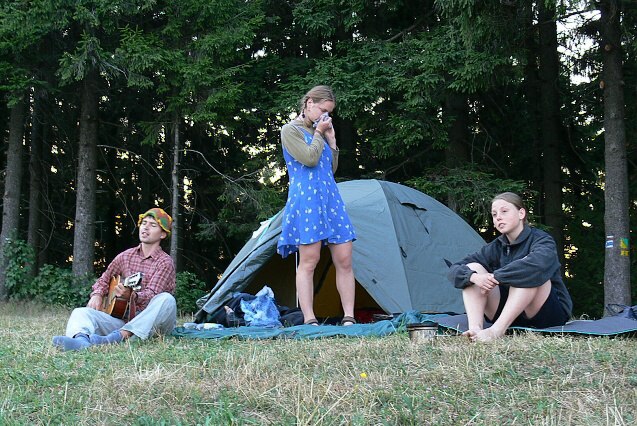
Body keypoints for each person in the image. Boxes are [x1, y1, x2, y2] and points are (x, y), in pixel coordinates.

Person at [277, 85, 357, 326]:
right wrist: (320, 134)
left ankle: (349, 316)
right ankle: (309, 318)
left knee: (344, 259)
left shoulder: (319, 131)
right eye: (323, 111)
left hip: (330, 198)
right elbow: (310, 159)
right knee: (309, 260)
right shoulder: (290, 130)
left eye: (329, 113)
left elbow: (329, 169)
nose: (326, 117)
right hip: (307, 200)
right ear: (309, 103)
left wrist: (332, 142)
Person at [447, 192, 572, 342]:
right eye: (494, 214)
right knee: (473, 268)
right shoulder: (495, 247)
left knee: (526, 271)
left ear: (521, 213)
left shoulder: (542, 240)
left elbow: (537, 265)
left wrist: (495, 277)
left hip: (547, 314)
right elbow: (454, 269)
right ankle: (475, 329)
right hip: (511, 314)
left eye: (504, 211)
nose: (498, 217)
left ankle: (496, 331)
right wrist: (474, 277)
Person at [53, 208, 177, 351]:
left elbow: (152, 295)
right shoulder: (125, 256)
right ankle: (81, 341)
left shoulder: (165, 262)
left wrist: (132, 296)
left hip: (153, 324)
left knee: (166, 299)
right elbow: (104, 279)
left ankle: (115, 338)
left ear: (162, 234)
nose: (145, 227)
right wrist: (97, 295)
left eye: (153, 225)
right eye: (144, 223)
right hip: (124, 321)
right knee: (80, 312)